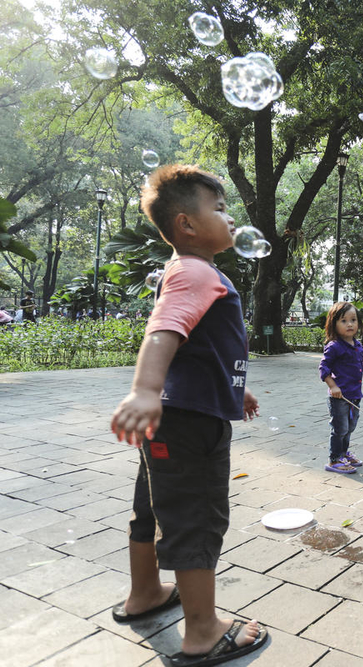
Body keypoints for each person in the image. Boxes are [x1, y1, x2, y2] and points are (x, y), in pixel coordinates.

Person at [109, 165, 268, 666]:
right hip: (191, 425)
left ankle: (146, 595)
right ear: (187, 225)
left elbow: (199, 350)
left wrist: (234, 391)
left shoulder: (187, 271)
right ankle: (202, 631)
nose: (230, 217)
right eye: (219, 209)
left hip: (174, 418)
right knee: (197, 517)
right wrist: (144, 389)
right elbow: (166, 330)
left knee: (154, 508)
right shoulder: (198, 271)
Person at [319, 301, 363, 473]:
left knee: (350, 427)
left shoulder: (357, 345)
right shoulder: (334, 346)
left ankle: (344, 453)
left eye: (353, 320)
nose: (350, 324)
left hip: (354, 395)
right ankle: (334, 460)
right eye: (344, 321)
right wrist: (333, 386)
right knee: (340, 428)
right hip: (339, 397)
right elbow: (323, 369)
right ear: (334, 324)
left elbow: (358, 365)